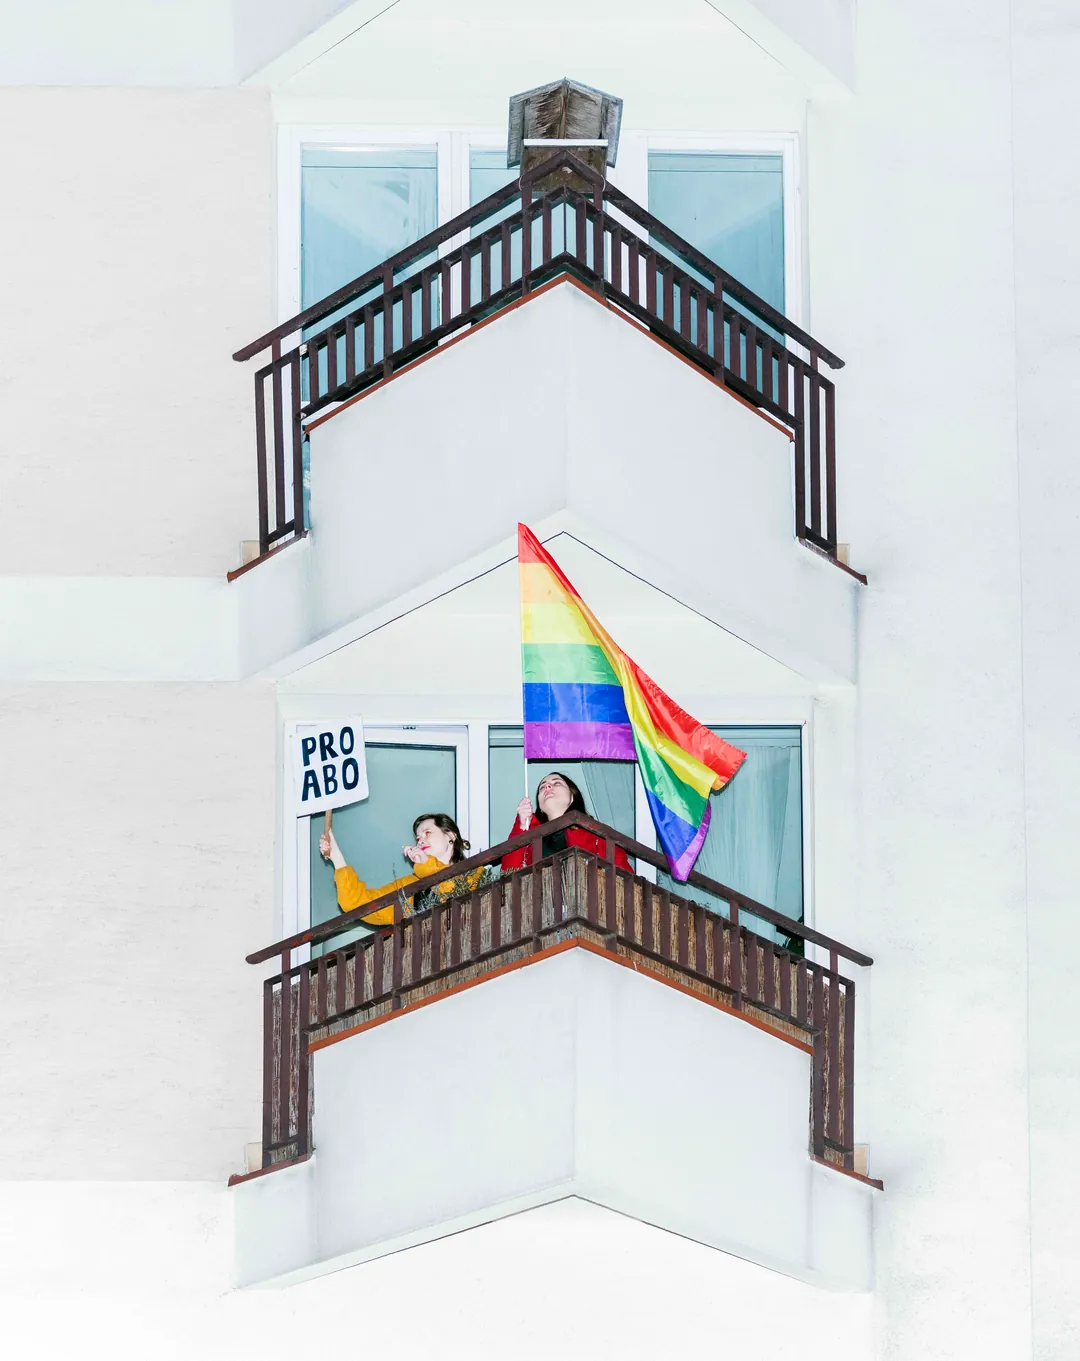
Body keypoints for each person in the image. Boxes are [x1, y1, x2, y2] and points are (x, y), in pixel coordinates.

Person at [320, 812, 487, 927]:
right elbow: (357, 903)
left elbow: (454, 892)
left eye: (428, 833)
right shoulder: (410, 884)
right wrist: (336, 857)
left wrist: (426, 864)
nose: (421, 840)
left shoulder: (473, 871)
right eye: (418, 838)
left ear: (450, 835)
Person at [502, 771, 633, 872]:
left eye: (557, 783)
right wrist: (521, 826)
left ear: (572, 797)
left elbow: (623, 875)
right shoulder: (531, 840)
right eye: (542, 787)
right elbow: (509, 872)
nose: (547, 786)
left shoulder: (596, 832)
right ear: (540, 807)